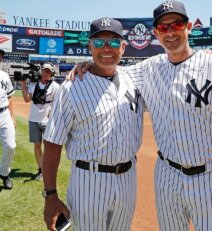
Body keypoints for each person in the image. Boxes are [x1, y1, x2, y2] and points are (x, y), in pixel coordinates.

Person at [73, 1, 212, 230]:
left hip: (211, 177)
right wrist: (88, 64)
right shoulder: (147, 69)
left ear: (188, 27)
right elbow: (110, 66)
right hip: (167, 176)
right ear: (155, 33)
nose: (170, 32)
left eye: (176, 24)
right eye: (163, 28)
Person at [42, 17, 145, 231]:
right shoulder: (71, 88)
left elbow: (172, 63)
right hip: (89, 181)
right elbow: (52, 144)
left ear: (123, 47)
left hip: (127, 180)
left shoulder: (135, 78)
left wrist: (203, 57)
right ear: (90, 46)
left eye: (114, 42)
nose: (106, 48)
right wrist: (50, 195)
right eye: (99, 42)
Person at [20, 63, 60, 180]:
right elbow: (27, 99)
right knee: (37, 146)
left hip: (47, 121)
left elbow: (57, 104)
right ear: (41, 71)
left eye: (48, 71)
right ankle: (41, 170)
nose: (46, 73)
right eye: (44, 70)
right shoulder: (33, 84)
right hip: (33, 120)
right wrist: (23, 85)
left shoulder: (55, 86)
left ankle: (48, 170)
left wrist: (52, 115)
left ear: (51, 73)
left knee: (48, 147)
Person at [0, 48, 16, 189]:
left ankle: (4, 173)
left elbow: (9, 97)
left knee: (10, 146)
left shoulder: (4, 75)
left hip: (4, 113)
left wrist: (12, 117)